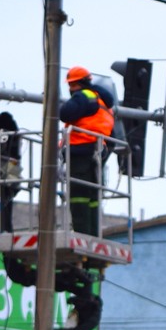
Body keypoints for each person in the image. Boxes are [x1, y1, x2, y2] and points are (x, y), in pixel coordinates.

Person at [58, 66, 115, 236]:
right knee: (92, 196)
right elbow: (113, 135)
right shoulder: (104, 103)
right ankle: (92, 234)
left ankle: (82, 234)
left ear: (80, 83)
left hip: (81, 150)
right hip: (96, 152)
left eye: (72, 85)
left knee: (78, 195)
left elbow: (66, 113)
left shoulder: (84, 96)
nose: (70, 89)